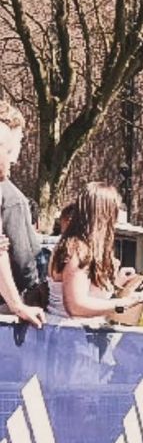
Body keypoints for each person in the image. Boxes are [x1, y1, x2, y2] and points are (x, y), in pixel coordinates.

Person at [47, 182, 143, 324]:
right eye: (115, 210)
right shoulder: (78, 250)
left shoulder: (78, 247)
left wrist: (115, 283)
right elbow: (76, 306)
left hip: (74, 331)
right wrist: (124, 303)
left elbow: (87, 294)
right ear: (104, 214)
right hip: (69, 332)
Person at [0, 104, 45, 326]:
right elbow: (19, 258)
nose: (13, 158)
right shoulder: (11, 197)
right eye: (9, 148)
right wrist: (18, 304)